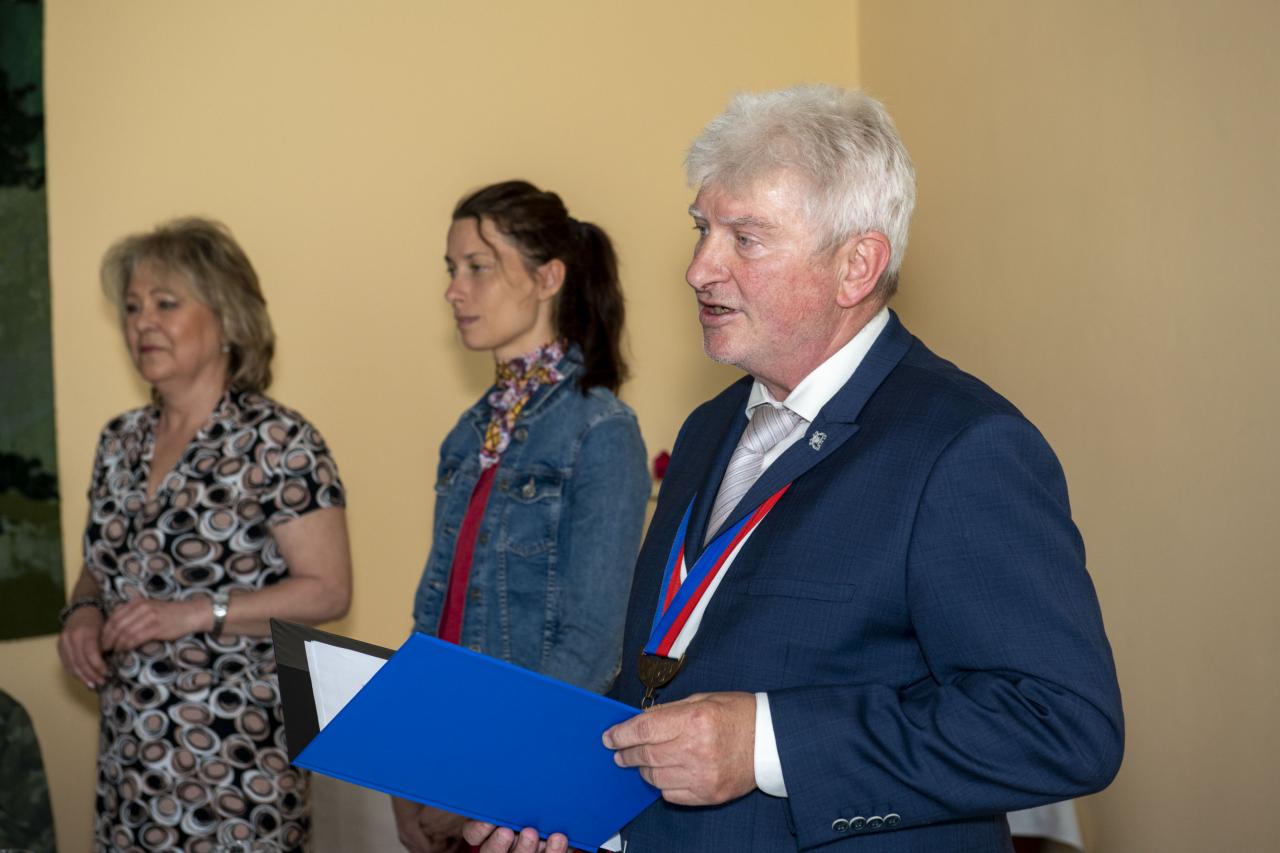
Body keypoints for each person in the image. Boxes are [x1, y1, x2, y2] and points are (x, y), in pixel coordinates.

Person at [464, 86, 1124, 852]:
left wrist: (768, 744)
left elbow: (1061, 724)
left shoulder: (963, 446)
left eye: (745, 238)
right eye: (702, 229)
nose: (698, 268)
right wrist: (567, 809)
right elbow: (669, 675)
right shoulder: (710, 427)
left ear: (856, 266)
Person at [57, 217, 353, 852]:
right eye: (132, 307)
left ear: (228, 320)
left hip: (237, 766)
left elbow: (328, 591)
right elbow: (102, 567)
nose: (143, 322)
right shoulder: (119, 441)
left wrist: (195, 612)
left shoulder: (278, 441)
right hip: (130, 762)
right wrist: (82, 612)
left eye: (166, 303)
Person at [391, 181, 650, 853]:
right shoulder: (468, 433)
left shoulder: (601, 430)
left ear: (547, 278)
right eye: (451, 268)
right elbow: (435, 618)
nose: (454, 290)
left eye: (477, 267)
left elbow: (593, 647)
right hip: (446, 767)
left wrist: (482, 781)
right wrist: (404, 768)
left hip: (526, 799)